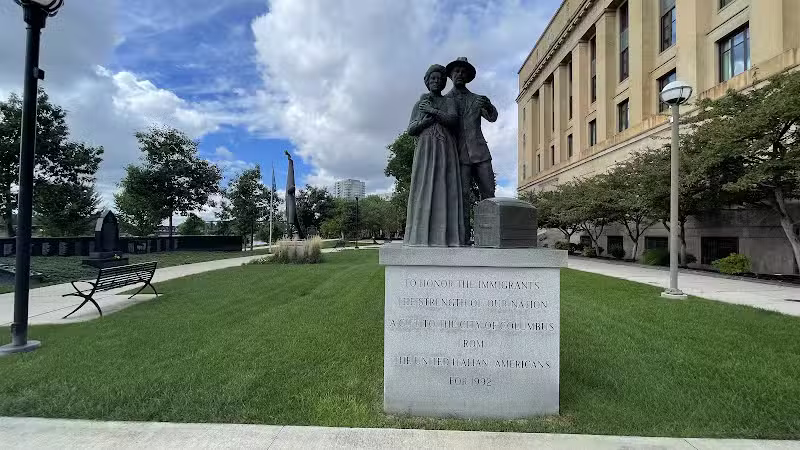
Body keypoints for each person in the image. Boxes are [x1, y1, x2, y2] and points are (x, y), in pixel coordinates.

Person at [403, 64, 465, 247]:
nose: (436, 81)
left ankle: (448, 237)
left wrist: (432, 111)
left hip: (445, 149)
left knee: (446, 187)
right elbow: (411, 129)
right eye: (433, 79)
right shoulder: (419, 104)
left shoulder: (448, 102)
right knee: (424, 186)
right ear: (427, 81)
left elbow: (454, 121)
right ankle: (419, 236)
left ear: (444, 82)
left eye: (439, 79)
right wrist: (424, 122)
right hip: (425, 149)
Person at [444, 57, 498, 242]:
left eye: (463, 72)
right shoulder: (444, 101)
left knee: (489, 193)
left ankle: (489, 236)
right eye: (456, 71)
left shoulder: (477, 99)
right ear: (451, 75)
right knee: (462, 197)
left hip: (481, 153)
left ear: (468, 77)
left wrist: (489, 105)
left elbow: (492, 118)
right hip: (459, 156)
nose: (459, 74)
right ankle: (463, 237)